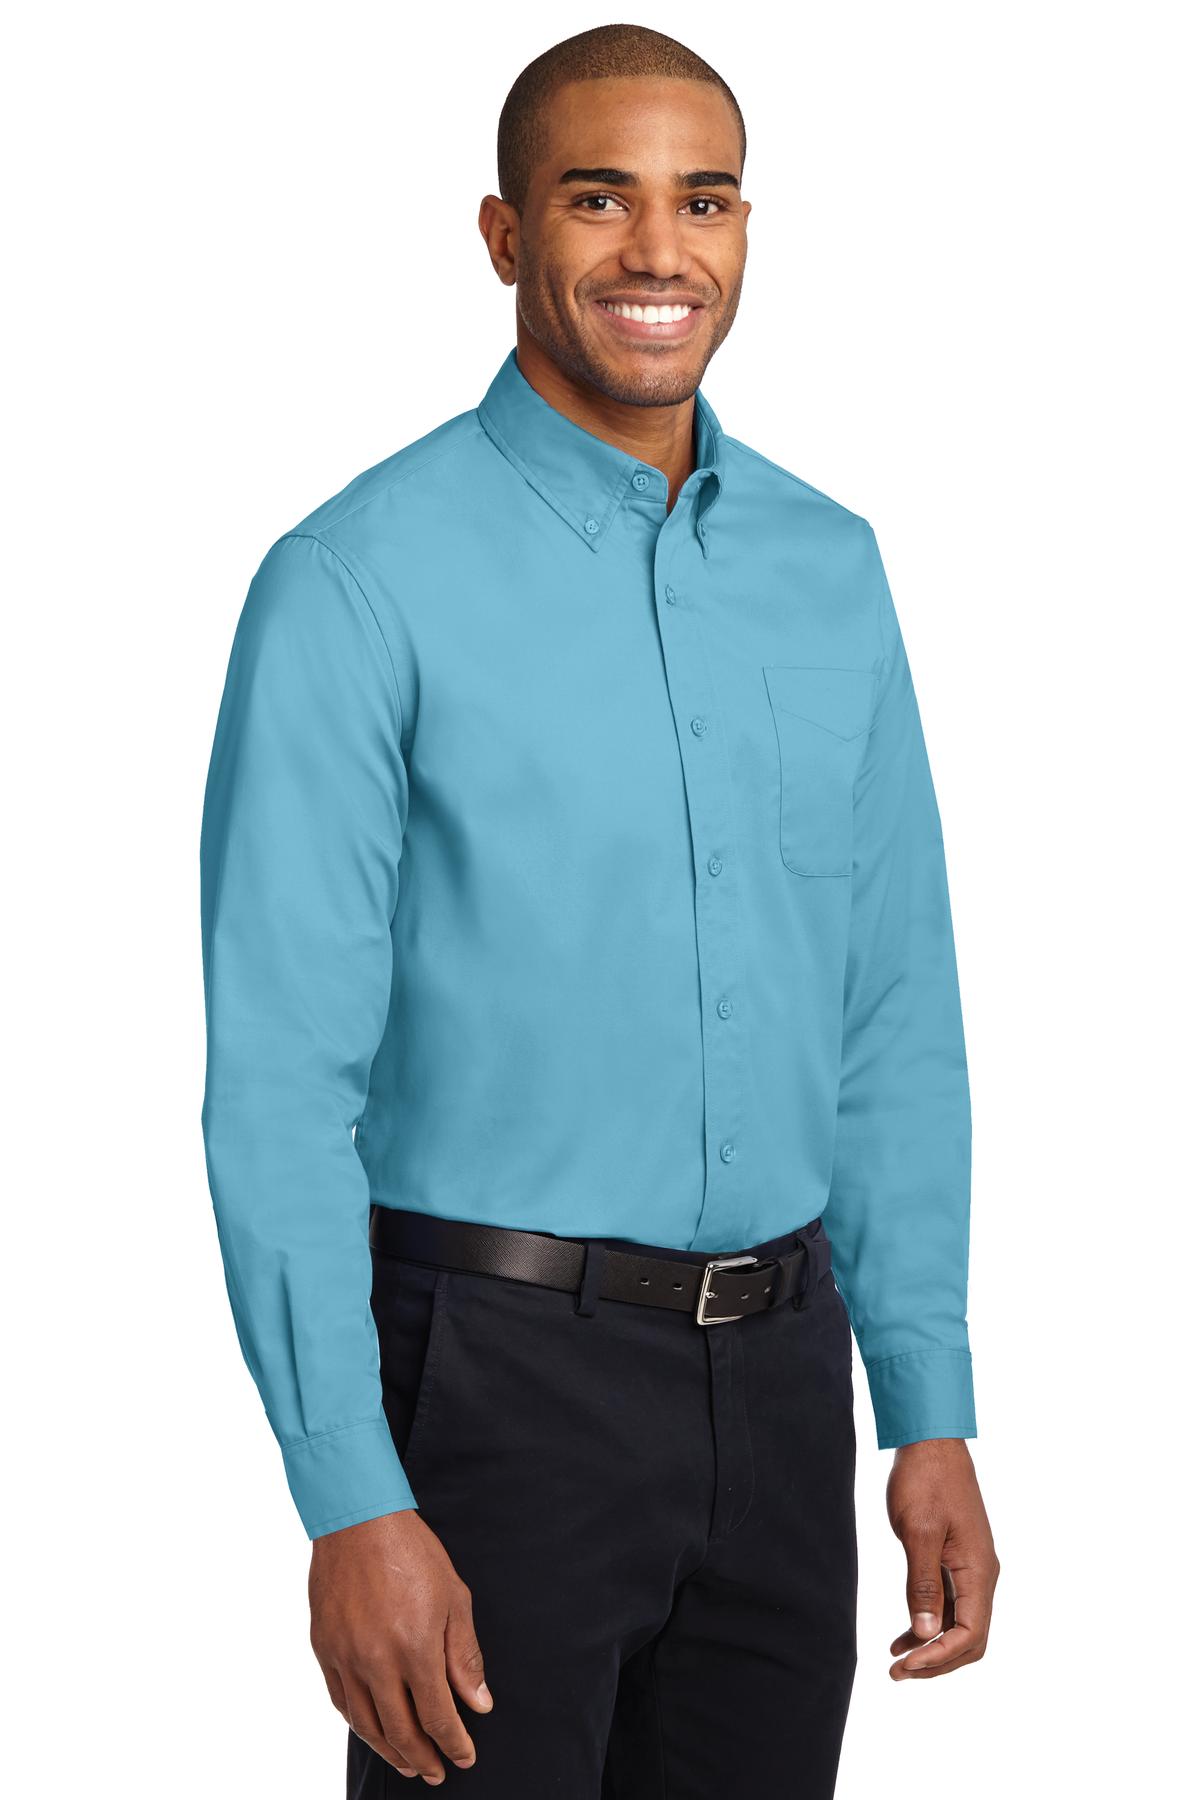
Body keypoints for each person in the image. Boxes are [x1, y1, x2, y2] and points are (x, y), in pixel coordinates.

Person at [199, 23, 1000, 1797]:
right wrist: (350, 1497)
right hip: (492, 1385)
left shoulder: (833, 566)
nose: (659, 250)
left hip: (783, 1384)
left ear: (746, 228)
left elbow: (889, 1014)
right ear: (503, 234)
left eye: (703, 200)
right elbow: (278, 1087)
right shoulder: (353, 582)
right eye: (597, 198)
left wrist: (926, 1403)